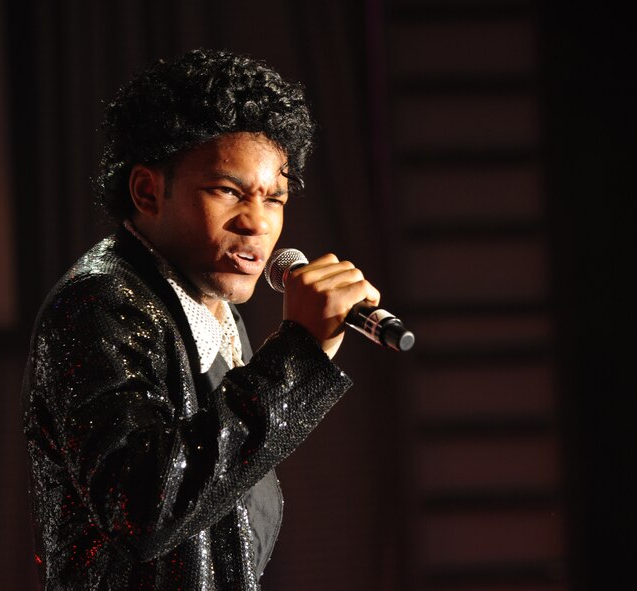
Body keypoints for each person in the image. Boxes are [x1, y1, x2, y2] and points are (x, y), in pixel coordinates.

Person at [21, 49, 380, 590]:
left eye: (274, 198)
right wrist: (300, 352)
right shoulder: (100, 304)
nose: (257, 222)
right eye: (228, 191)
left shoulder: (211, 305)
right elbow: (143, 508)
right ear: (147, 191)